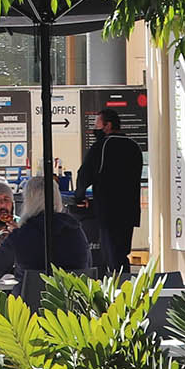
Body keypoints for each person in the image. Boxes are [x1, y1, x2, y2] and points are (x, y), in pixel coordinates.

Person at [74, 108, 145, 274]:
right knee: (122, 253)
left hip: (108, 210)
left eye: (97, 124)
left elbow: (84, 174)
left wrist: (79, 196)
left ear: (108, 125)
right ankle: (124, 284)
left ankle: (119, 288)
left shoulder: (102, 146)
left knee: (110, 254)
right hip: (129, 211)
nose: (95, 129)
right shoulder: (134, 147)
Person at [8, 176, 92, 274]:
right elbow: (88, 265)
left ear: (27, 201)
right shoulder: (75, 229)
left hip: (31, 289)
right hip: (70, 288)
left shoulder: (21, 234)